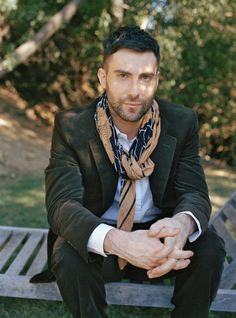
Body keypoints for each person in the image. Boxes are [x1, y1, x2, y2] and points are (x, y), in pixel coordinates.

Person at [32, 26, 226, 318]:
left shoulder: (181, 122)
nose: (135, 90)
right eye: (123, 76)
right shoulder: (71, 126)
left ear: (157, 79)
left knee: (210, 247)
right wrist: (120, 242)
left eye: (145, 77)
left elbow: (194, 193)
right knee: (67, 252)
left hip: (162, 241)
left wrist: (181, 227)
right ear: (103, 78)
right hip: (103, 242)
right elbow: (61, 204)